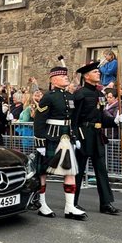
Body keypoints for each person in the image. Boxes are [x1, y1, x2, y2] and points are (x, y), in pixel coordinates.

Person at [33, 65, 87, 220]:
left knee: (70, 171)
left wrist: (75, 137)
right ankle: (42, 205)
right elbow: (39, 120)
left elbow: (72, 121)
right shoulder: (48, 97)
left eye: (66, 75)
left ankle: (70, 207)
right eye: (62, 76)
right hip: (51, 137)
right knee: (43, 172)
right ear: (54, 79)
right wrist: (40, 142)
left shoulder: (70, 96)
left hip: (66, 138)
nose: (66, 77)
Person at [73, 62, 122, 215]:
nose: (98, 73)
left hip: (97, 135)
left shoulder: (100, 95)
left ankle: (106, 203)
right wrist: (74, 137)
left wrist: (114, 121)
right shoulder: (80, 94)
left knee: (101, 169)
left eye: (98, 71)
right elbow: (73, 118)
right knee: (79, 171)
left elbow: (101, 116)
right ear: (87, 76)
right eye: (95, 72)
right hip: (83, 135)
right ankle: (72, 202)